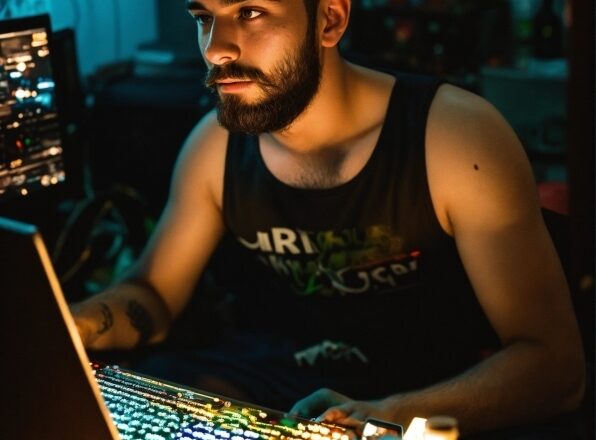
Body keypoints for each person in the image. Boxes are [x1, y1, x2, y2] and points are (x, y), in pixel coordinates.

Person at [70, 0, 586, 437]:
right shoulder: (214, 146)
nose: (215, 48)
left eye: (250, 12)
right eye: (204, 16)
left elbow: (556, 367)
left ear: (330, 21)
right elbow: (154, 296)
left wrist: (388, 417)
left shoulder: (455, 139)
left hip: (425, 400)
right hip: (274, 394)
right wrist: (78, 323)